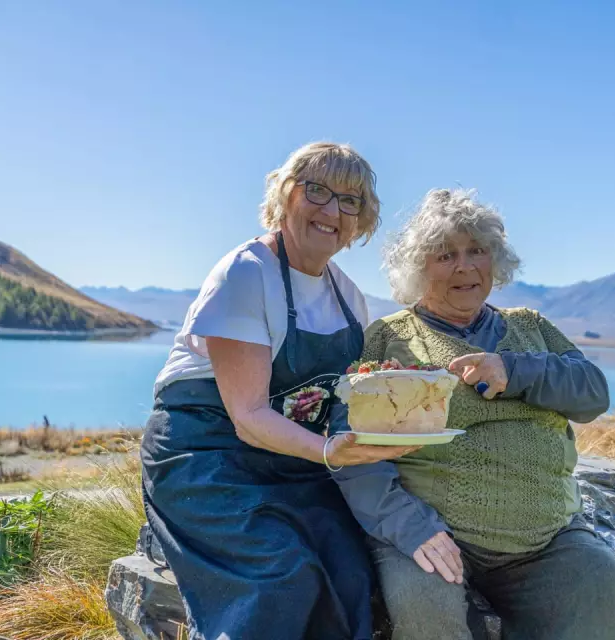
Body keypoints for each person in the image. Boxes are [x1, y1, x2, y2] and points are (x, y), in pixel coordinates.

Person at [330, 188, 615, 640]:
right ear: (419, 268)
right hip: (433, 538)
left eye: (477, 250)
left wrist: (513, 370)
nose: (465, 266)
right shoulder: (388, 339)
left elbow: (592, 394)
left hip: (549, 539)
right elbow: (350, 449)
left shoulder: (531, 327)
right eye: (445, 255)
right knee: (427, 614)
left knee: (599, 586)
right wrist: (410, 528)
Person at [141, 142, 419, 640]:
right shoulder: (247, 273)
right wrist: (331, 452)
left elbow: (341, 399)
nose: (332, 210)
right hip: (205, 456)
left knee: (352, 574)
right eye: (317, 190)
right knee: (281, 576)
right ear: (284, 195)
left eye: (350, 200)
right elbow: (247, 414)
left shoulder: (349, 297)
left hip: (289, 461)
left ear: (361, 219)